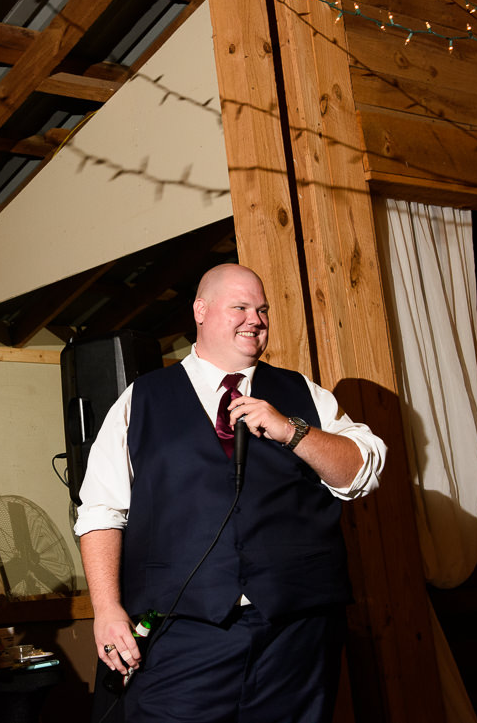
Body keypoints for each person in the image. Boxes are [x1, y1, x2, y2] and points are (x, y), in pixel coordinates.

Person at [74, 263, 387, 723]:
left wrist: (290, 430)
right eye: (239, 307)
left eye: (261, 310)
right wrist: (106, 608)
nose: (255, 320)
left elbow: (363, 471)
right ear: (200, 311)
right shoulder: (140, 400)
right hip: (184, 630)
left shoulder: (304, 395)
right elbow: (101, 511)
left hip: (295, 631)